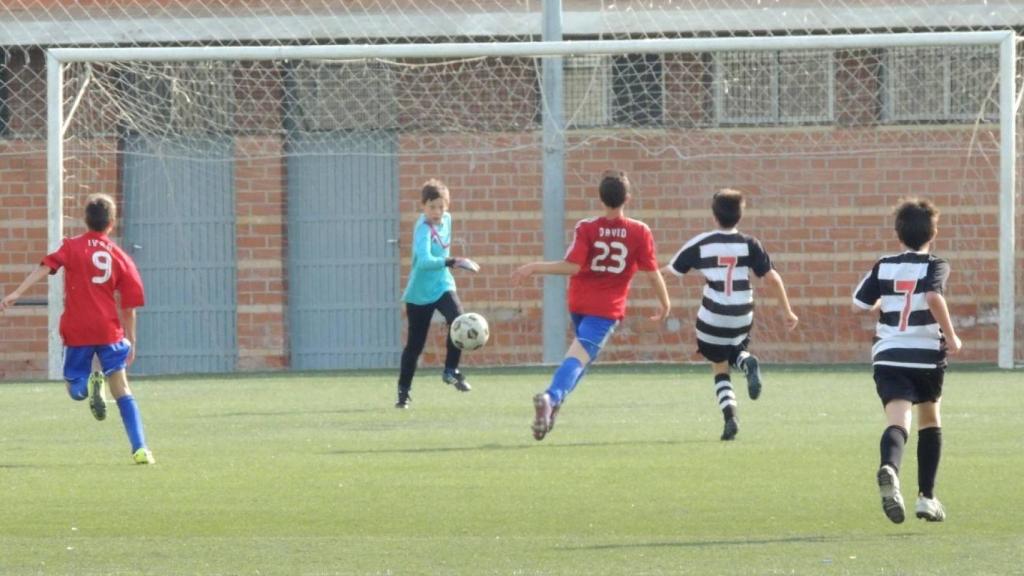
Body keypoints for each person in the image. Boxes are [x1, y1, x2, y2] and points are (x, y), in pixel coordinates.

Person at [513, 170, 671, 441]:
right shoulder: (639, 231)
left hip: (579, 303)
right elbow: (652, 272)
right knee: (577, 358)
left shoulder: (586, 227)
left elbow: (572, 266)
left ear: (600, 199)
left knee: (582, 358)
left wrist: (535, 266)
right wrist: (665, 304)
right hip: (606, 310)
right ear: (628, 198)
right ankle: (550, 398)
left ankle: (553, 409)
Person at [0, 193, 154, 464]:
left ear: (85, 219)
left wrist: (16, 293)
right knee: (122, 390)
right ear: (112, 223)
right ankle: (141, 449)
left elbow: (46, 267)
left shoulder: (71, 247)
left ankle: (87, 386)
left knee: (74, 390)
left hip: (78, 328)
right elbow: (129, 307)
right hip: (108, 331)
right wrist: (131, 340)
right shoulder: (120, 257)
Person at [852, 198, 962, 524]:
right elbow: (932, 296)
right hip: (925, 355)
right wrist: (951, 335)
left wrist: (882, 304)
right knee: (929, 419)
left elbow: (859, 304)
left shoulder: (884, 264)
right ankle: (926, 498)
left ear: (898, 234)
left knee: (897, 422)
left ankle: (890, 467)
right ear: (934, 232)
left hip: (888, 354)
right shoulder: (936, 264)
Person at [664, 188, 798, 441]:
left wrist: (649, 283)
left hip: (712, 316)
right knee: (735, 350)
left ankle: (730, 417)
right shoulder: (750, 245)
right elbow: (772, 278)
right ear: (740, 215)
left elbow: (668, 273)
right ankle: (745, 361)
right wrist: (788, 311)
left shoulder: (702, 243)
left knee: (718, 363)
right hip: (742, 314)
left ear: (714, 215)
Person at [395, 179, 480, 409]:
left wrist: (451, 264)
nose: (437, 212)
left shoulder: (448, 220)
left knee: (458, 321)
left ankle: (451, 370)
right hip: (420, 292)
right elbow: (423, 262)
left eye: (442, 207)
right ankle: (403, 392)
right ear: (423, 206)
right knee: (415, 345)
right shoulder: (422, 228)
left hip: (442, 284)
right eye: (432, 207)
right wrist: (453, 261)